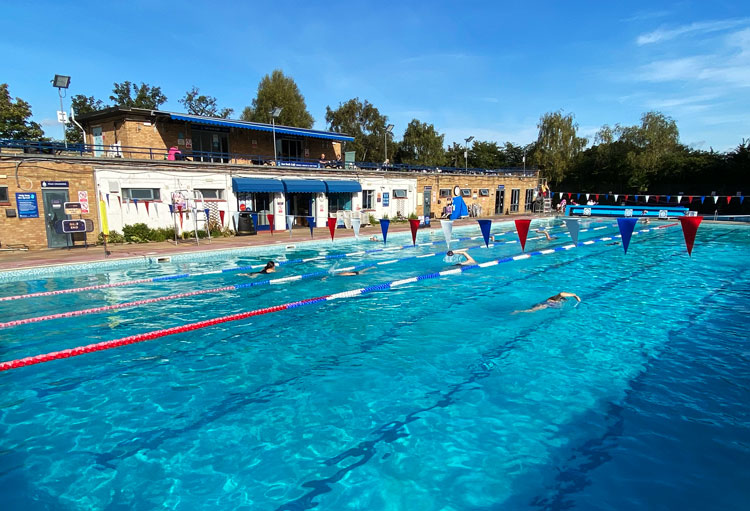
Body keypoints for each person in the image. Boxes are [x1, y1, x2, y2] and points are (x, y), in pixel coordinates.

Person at [516, 292, 581, 313]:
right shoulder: (556, 299)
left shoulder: (559, 301)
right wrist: (574, 295)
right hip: (545, 305)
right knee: (530, 311)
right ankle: (518, 311)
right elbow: (561, 293)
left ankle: (520, 311)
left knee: (531, 311)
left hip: (546, 305)